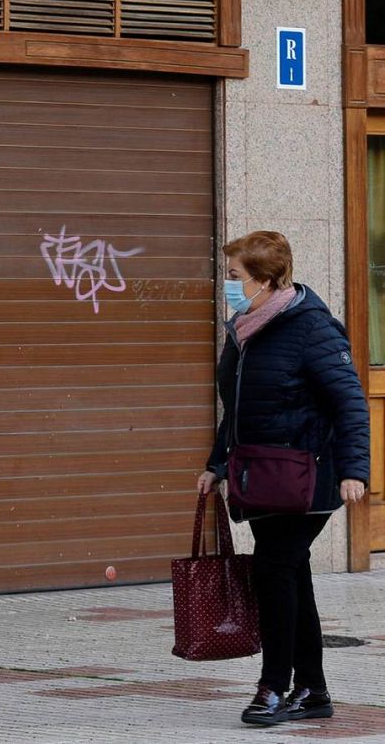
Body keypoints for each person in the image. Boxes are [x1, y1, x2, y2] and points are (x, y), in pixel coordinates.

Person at [195, 231, 369, 727]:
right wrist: (217, 464)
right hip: (262, 476)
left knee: (273, 572)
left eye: (234, 277)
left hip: (308, 477)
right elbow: (238, 410)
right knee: (291, 575)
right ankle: (313, 690)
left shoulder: (312, 328)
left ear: (266, 280)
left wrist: (355, 469)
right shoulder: (244, 329)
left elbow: (350, 401)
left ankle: (273, 686)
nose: (226, 285)